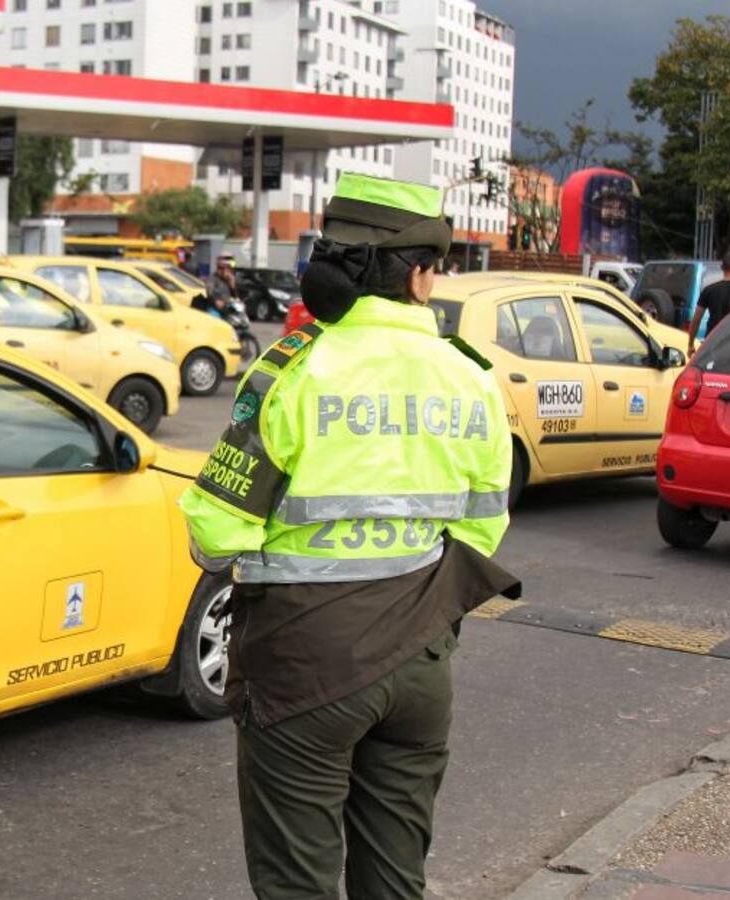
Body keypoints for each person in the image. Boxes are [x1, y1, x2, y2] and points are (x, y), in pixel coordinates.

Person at [180, 173, 521, 900]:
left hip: (305, 665)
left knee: (298, 884)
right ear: (422, 275)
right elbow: (482, 526)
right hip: (422, 660)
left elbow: (214, 530)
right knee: (396, 882)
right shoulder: (472, 379)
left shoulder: (293, 370)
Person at [689, 252, 730, 355]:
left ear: (722, 267)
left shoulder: (709, 290)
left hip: (713, 342)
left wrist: (690, 344)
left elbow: (696, 319)